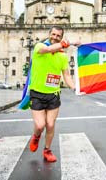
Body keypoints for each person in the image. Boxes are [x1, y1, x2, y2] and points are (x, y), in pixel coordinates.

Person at [28, 26, 79, 162]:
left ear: (61, 38)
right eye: (53, 34)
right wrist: (63, 44)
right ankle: (36, 136)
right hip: (37, 93)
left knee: (50, 124)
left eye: (58, 36)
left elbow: (67, 76)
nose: (55, 37)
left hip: (53, 94)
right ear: (49, 34)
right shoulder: (39, 47)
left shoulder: (62, 56)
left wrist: (75, 88)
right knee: (40, 125)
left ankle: (47, 150)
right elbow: (48, 49)